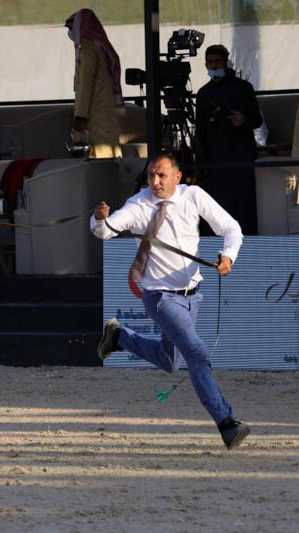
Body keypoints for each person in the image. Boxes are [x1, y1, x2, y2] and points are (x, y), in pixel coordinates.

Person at [92, 154, 250, 450]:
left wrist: (228, 256)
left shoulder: (194, 196)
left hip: (194, 295)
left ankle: (119, 337)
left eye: (162, 175)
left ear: (178, 177)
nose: (155, 182)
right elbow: (106, 232)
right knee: (197, 354)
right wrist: (100, 219)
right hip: (160, 297)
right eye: (151, 175)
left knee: (170, 361)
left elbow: (231, 228)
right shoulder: (138, 204)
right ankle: (226, 423)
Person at [195, 44, 262, 235]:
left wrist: (243, 119)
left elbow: (257, 120)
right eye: (210, 62)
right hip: (215, 163)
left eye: (217, 62)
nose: (214, 66)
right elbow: (200, 131)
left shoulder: (243, 88)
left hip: (240, 160)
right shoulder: (203, 93)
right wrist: (201, 163)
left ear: (226, 62)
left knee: (242, 207)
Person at [64, 9, 122, 159]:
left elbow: (85, 86)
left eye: (72, 28)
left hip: (94, 116)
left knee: (99, 158)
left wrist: (80, 118)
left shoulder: (87, 50)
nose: (71, 33)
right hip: (104, 113)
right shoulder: (98, 47)